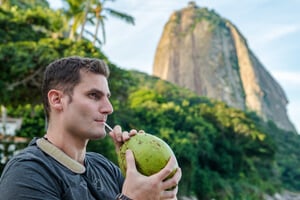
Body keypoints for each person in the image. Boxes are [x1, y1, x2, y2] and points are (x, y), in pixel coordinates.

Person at [0, 56, 181, 200]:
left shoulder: (105, 168)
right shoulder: (27, 173)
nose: (108, 108)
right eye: (94, 95)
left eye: (107, 97)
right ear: (57, 100)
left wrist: (142, 173)